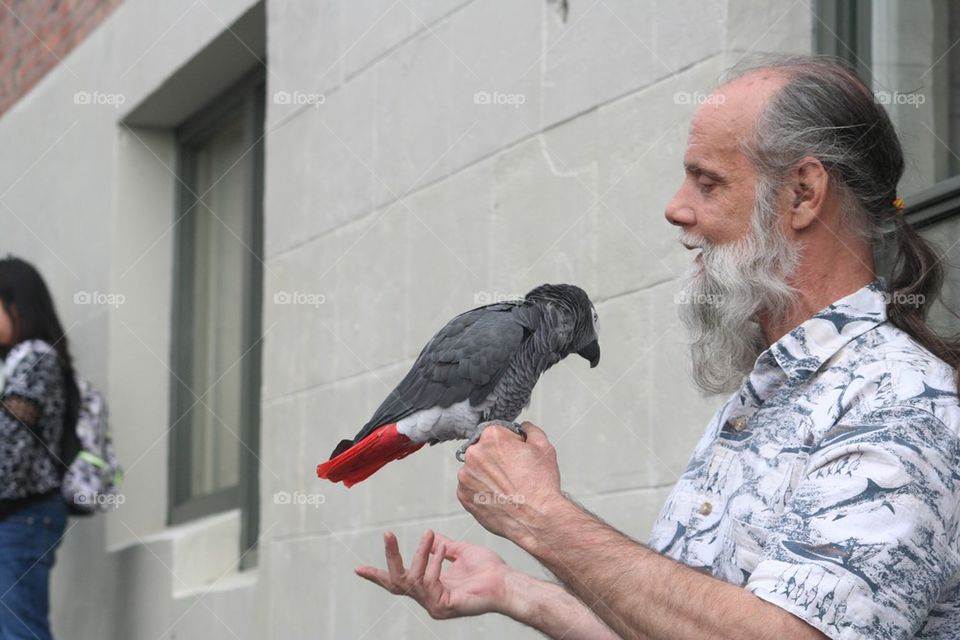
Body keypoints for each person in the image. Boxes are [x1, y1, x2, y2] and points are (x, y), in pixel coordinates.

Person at [355, 54, 960, 639]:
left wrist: (542, 516)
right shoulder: (770, 391)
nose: (676, 208)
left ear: (802, 194)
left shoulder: (904, 402)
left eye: (707, 181)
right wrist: (518, 592)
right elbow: (681, 626)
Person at [0, 257, 80, 640]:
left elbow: (10, 450)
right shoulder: (19, 361)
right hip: (21, 514)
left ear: (16, 305)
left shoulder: (34, 359)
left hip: (24, 515)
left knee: (19, 631)